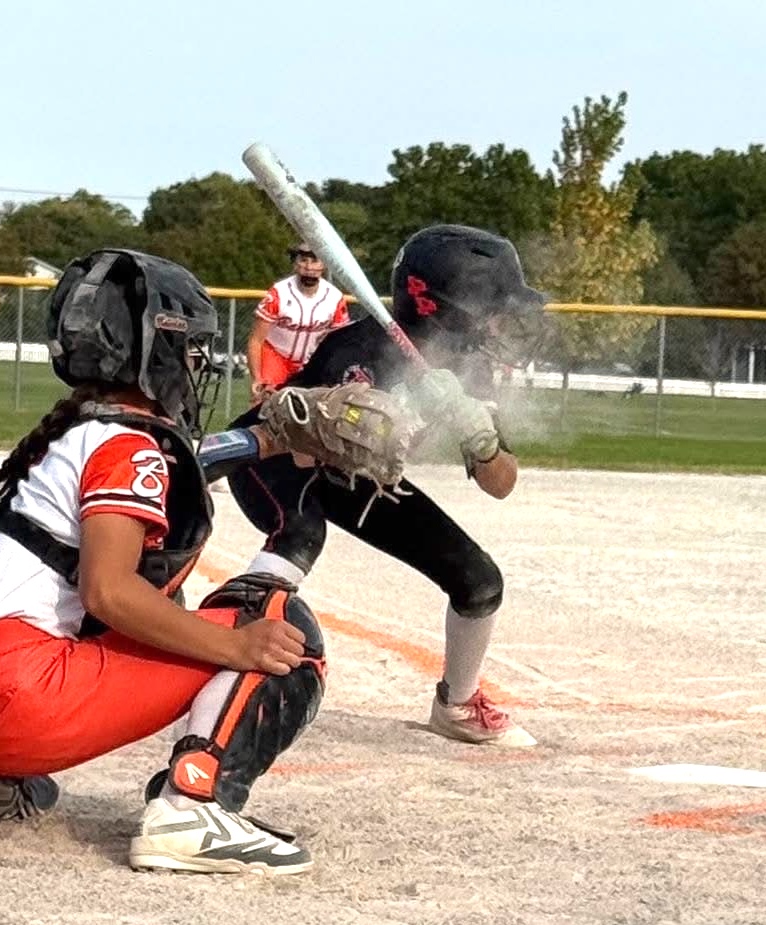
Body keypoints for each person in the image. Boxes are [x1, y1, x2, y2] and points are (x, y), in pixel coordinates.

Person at [0, 248, 411, 877]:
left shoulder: (72, 433)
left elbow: (183, 463)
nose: (196, 363)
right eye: (191, 349)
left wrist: (270, 438)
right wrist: (237, 648)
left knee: (92, 600)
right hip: (11, 700)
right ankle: (192, 809)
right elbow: (109, 595)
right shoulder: (127, 445)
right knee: (280, 630)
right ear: (156, 348)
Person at [226, 224, 551, 749]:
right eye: (491, 307)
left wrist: (482, 437)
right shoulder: (357, 351)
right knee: (299, 537)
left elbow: (501, 485)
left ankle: (456, 704)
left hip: (359, 479)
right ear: (448, 308)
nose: (499, 322)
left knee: (479, 582)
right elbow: (281, 431)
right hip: (278, 459)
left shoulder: (470, 375)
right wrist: (362, 414)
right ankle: (217, 666)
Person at [246, 242, 351, 404]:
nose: (309, 267)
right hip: (276, 355)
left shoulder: (334, 298)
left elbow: (340, 343)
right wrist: (256, 378)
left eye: (315, 261)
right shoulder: (279, 293)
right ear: (295, 264)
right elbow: (256, 340)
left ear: (324, 265)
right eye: (303, 260)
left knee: (311, 411)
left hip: (310, 361)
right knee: (265, 406)